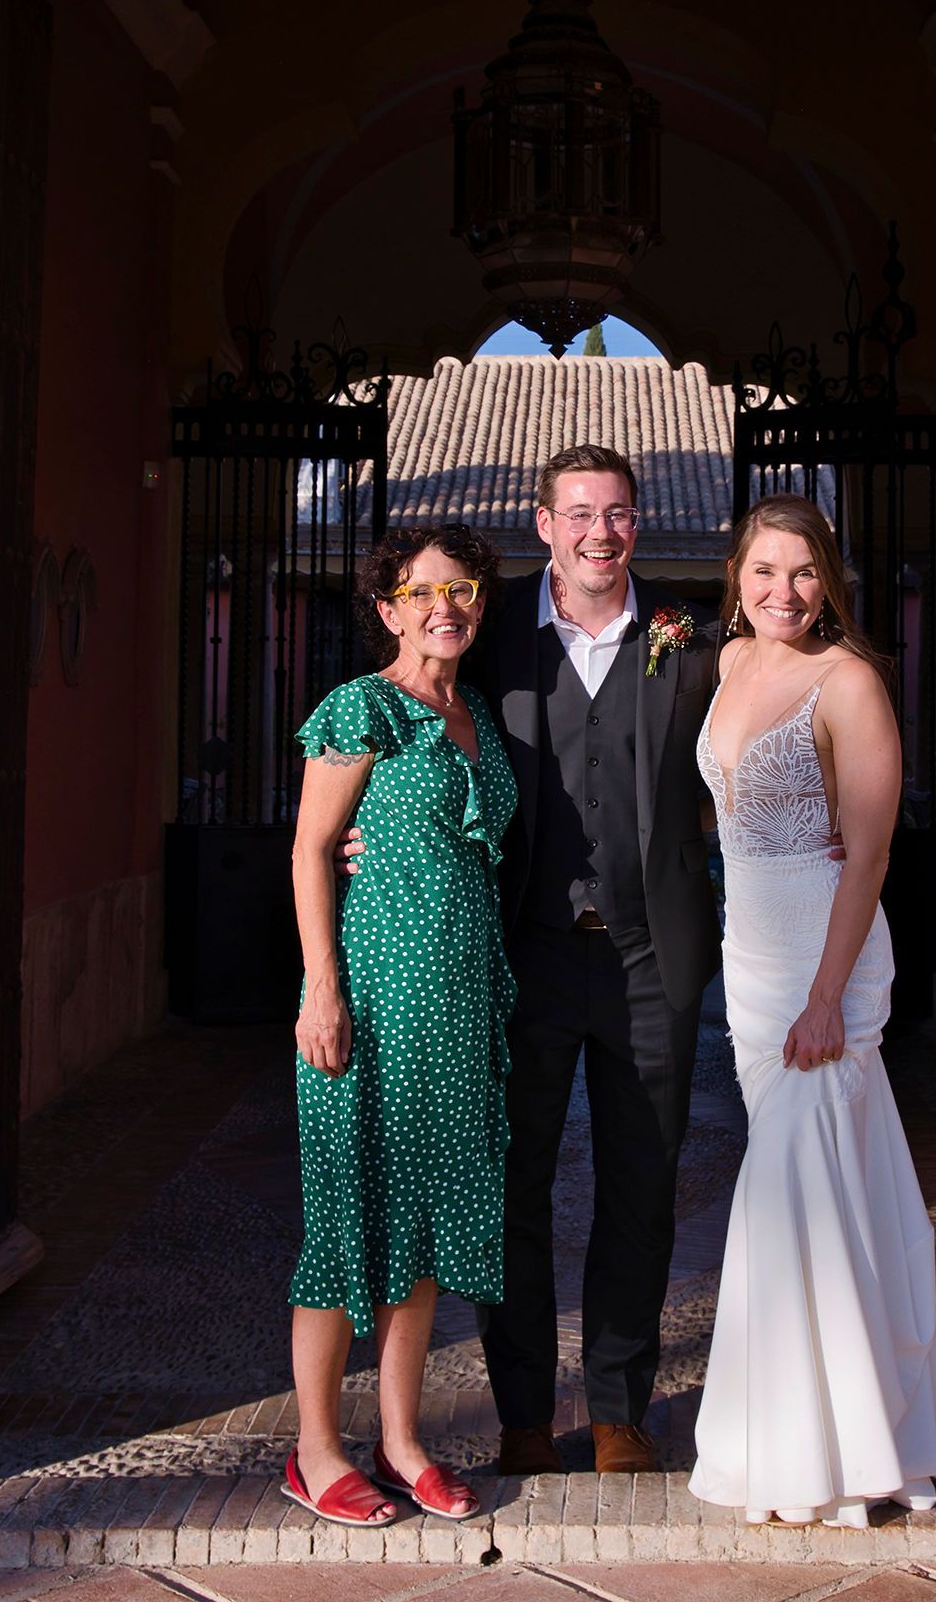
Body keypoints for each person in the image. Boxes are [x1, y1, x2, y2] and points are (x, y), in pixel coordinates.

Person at [340, 442, 723, 1476]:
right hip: (520, 956)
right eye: (581, 513)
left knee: (641, 1185)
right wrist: (360, 823)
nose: (603, 531)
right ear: (544, 524)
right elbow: (407, 718)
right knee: (515, 1185)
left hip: (652, 954)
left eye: (620, 513)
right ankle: (519, 1409)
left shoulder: (694, 632)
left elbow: (761, 733)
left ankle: (617, 1410)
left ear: (636, 524)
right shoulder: (491, 629)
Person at [688, 493, 936, 1528]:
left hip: (827, 960)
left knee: (795, 1193)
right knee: (815, 1196)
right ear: (736, 574)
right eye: (764, 570)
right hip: (748, 957)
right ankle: (810, 1429)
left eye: (803, 571)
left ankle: (843, 1446)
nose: (782, 590)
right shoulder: (727, 666)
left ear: (830, 581)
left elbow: (870, 852)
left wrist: (825, 995)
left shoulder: (848, 680)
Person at [283, 522, 517, 1528]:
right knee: (347, 1225)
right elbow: (309, 849)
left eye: (460, 588)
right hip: (371, 1001)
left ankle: (402, 1438)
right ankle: (314, 1450)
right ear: (388, 608)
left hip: (459, 1011)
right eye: (422, 591)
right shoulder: (360, 705)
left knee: (421, 1229)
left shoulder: (477, 718)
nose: (445, 606)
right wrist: (320, 987)